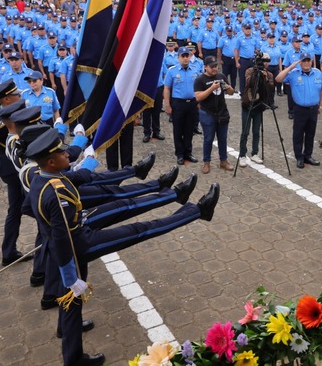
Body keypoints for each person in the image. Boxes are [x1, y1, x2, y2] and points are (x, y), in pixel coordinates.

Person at [25, 128, 219, 366]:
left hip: (71, 244)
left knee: (71, 300)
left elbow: (53, 198)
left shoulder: (42, 177)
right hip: (77, 248)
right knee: (140, 230)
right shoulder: (56, 192)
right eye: (62, 153)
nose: (68, 154)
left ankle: (68, 334)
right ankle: (198, 211)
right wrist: (69, 276)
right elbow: (63, 237)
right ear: (52, 162)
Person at [275, 52, 322, 169]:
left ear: (311, 61)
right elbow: (278, 79)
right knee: (298, 134)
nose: (306, 63)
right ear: (300, 62)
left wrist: (320, 105)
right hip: (300, 109)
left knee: (310, 133)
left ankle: (308, 155)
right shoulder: (293, 74)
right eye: (304, 61)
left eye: (308, 60)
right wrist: (291, 67)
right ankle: (299, 157)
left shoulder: (317, 73)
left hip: (313, 109)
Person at [193, 55, 234, 174]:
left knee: (223, 138)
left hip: (222, 112)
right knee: (208, 139)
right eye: (212, 67)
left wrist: (229, 87)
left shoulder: (221, 76)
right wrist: (211, 88)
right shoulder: (200, 80)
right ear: (205, 67)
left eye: (216, 66)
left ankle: (224, 160)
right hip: (207, 113)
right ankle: (206, 162)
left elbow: (230, 93)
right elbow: (198, 97)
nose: (215, 69)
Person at [164, 46, 201, 165]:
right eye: (183, 56)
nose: (185, 59)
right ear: (178, 57)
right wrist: (167, 105)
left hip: (192, 104)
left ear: (190, 57)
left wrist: (199, 102)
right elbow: (167, 88)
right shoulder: (172, 71)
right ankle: (180, 154)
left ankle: (188, 153)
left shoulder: (195, 69)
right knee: (178, 130)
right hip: (178, 103)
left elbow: (199, 87)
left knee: (189, 130)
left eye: (187, 56)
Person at [239, 53, 274, 166]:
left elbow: (270, 89)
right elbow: (249, 83)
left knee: (256, 131)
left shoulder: (269, 74)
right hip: (247, 105)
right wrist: (256, 73)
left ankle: (255, 153)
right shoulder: (249, 71)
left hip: (259, 106)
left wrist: (265, 78)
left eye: (268, 61)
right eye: (264, 61)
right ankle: (242, 155)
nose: (266, 63)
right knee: (245, 131)